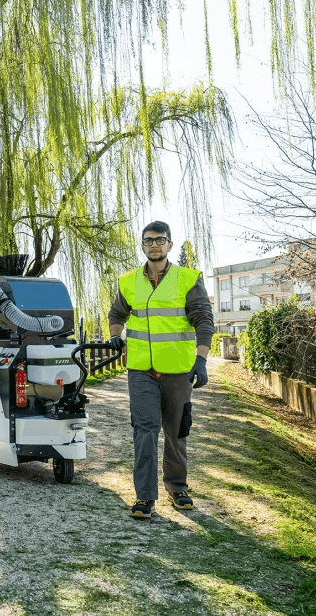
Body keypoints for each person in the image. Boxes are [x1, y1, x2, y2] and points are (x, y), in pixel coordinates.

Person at [107, 221, 214, 519]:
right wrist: (115, 335)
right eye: (149, 240)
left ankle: (177, 488)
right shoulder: (129, 281)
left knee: (177, 431)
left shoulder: (188, 279)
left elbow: (204, 320)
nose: (154, 244)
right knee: (145, 431)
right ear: (142, 245)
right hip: (140, 369)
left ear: (169, 244)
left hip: (178, 369)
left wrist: (201, 359)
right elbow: (116, 313)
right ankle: (145, 496)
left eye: (160, 239)